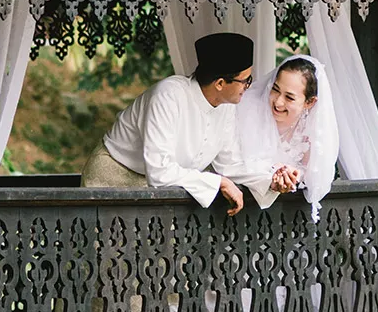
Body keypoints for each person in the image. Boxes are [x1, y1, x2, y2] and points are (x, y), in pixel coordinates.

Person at [81, 32, 274, 212]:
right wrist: (219, 182)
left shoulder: (226, 106)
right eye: (245, 80)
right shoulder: (167, 96)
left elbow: (230, 164)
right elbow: (160, 171)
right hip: (113, 177)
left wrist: (270, 180)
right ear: (220, 83)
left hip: (163, 188)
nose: (248, 87)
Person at [236, 53, 340, 221]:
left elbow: (315, 176)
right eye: (275, 90)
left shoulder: (313, 132)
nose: (278, 102)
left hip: (287, 217)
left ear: (310, 102)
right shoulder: (247, 113)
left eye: (289, 97)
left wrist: (294, 175)